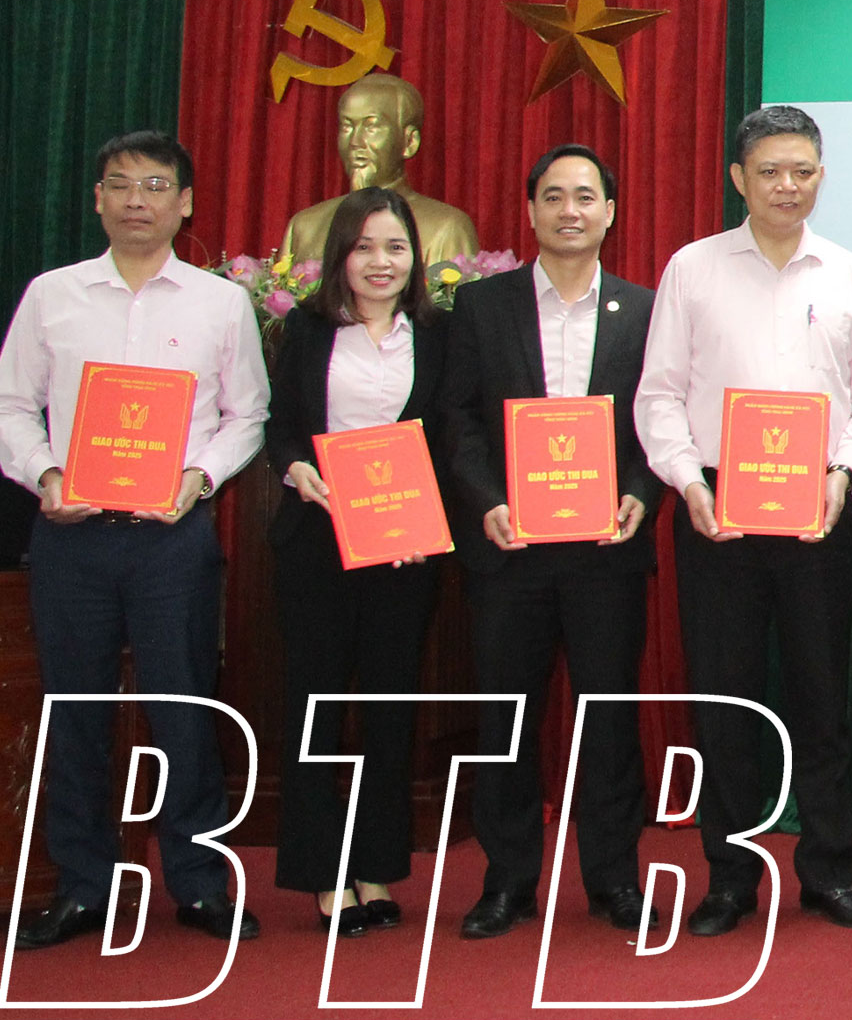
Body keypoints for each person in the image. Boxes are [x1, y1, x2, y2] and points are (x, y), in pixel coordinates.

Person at [0, 130, 268, 949]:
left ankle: (200, 883)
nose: (136, 200)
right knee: (74, 712)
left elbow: (248, 412)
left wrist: (199, 478)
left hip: (171, 541)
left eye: (154, 185)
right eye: (120, 184)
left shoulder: (220, 303)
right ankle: (84, 885)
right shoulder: (52, 295)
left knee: (184, 708)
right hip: (71, 539)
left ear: (186, 202)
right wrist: (44, 473)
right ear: (98, 199)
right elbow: (7, 405)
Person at [634, 105, 852, 936]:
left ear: (822, 176)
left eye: (803, 171)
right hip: (717, 512)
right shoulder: (693, 268)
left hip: (819, 505)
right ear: (739, 177)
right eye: (771, 170)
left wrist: (845, 471)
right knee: (725, 701)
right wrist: (686, 483)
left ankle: (830, 872)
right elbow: (659, 394)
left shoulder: (850, 273)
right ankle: (730, 878)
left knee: (821, 698)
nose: (788, 185)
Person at [435, 144, 662, 940]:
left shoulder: (645, 309)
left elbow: (662, 417)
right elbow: (457, 419)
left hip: (607, 550)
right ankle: (507, 882)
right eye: (555, 195)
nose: (571, 210)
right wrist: (487, 501)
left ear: (610, 212)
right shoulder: (481, 306)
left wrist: (641, 492)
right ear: (531, 210)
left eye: (586, 196)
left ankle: (614, 878)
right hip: (510, 549)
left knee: (609, 718)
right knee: (506, 719)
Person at [266, 188, 450, 937]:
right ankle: (323, 873)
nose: (381, 262)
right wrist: (295, 468)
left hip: (405, 548)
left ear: (415, 259)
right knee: (314, 705)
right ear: (340, 254)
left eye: (396, 247)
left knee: (389, 708)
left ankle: (375, 865)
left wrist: (427, 513)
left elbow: (449, 435)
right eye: (365, 246)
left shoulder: (437, 335)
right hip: (317, 542)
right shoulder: (306, 330)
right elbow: (281, 424)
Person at [278, 73, 480, 267]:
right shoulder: (305, 227)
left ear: (409, 142)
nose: (355, 142)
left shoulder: (446, 228)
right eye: (347, 127)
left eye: (371, 127)